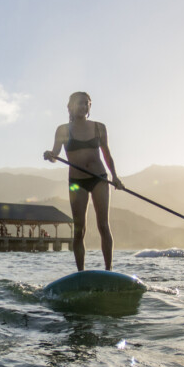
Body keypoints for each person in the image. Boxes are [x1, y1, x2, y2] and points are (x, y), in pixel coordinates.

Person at [43, 91, 124, 271]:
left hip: (99, 179)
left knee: (103, 225)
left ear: (90, 106)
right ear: (70, 107)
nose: (83, 106)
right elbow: (55, 155)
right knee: (79, 229)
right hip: (76, 182)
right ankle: (81, 272)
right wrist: (50, 155)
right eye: (79, 103)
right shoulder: (63, 129)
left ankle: (109, 270)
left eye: (86, 103)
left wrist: (116, 177)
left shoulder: (99, 127)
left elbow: (107, 155)